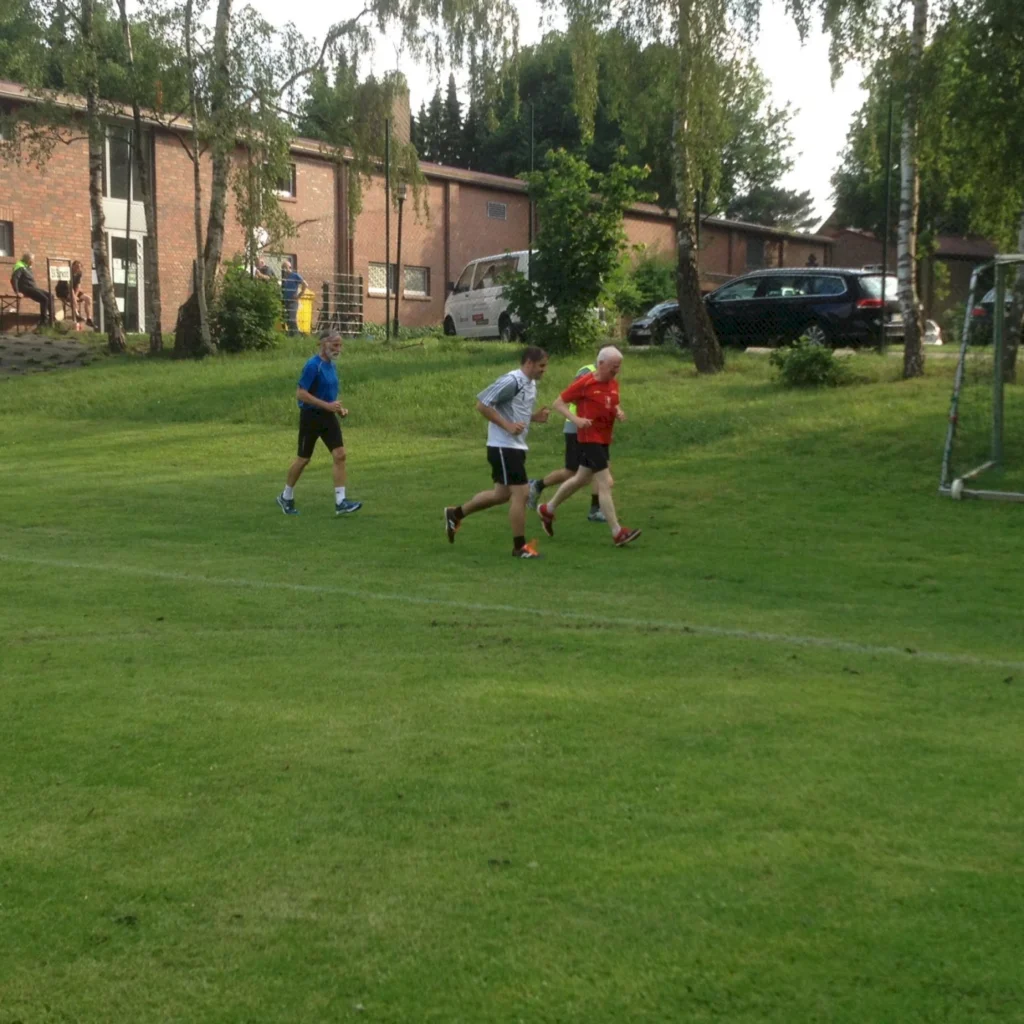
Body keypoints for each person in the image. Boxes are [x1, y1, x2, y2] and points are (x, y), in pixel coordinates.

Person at [443, 346, 551, 559]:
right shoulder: (512, 381)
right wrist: (507, 426)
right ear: (529, 363)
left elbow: (514, 411)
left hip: (515, 446)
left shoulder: (529, 385)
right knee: (521, 493)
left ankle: (455, 514)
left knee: (501, 495)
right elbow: (482, 405)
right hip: (503, 446)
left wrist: (534, 417)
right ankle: (519, 548)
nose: (544, 370)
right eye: (541, 366)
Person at [537, 346, 641, 547]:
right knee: (604, 482)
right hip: (588, 438)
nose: (616, 370)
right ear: (601, 364)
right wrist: (575, 419)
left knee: (581, 478)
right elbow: (558, 403)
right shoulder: (585, 383)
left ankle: (547, 509)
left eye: (618, 367)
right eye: (613, 367)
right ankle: (617, 532)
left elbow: (612, 402)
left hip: (603, 438)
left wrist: (618, 412)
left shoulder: (613, 383)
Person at [276, 329, 362, 517]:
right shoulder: (312, 366)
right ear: (323, 344)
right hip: (310, 417)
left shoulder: (331, 366)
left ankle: (341, 502)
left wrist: (339, 409)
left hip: (328, 416)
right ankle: (286, 496)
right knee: (303, 459)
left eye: (340, 345)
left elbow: (328, 395)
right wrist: (327, 405)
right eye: (335, 344)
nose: (338, 349)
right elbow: (301, 394)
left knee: (340, 455)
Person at [527, 357, 607, 523]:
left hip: (594, 429)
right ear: (602, 359)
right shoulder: (587, 371)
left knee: (599, 468)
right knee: (572, 471)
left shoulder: (606, 376)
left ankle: (595, 509)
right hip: (576, 427)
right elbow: (574, 395)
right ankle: (537, 485)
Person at [10, 253, 52, 328]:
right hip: (26, 288)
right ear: (28, 260)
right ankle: (43, 321)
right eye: (32, 260)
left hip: (32, 287)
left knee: (51, 296)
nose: (33, 261)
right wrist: (17, 292)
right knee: (44, 299)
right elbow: (14, 279)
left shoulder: (27, 267)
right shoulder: (20, 266)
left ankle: (52, 318)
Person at [54, 260, 95, 327]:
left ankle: (89, 319)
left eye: (79, 267)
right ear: (72, 266)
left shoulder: (79, 273)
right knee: (73, 298)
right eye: (76, 267)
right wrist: (74, 296)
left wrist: (76, 295)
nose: (77, 269)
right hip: (63, 290)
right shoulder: (67, 273)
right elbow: (69, 286)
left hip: (73, 290)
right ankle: (77, 315)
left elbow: (78, 285)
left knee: (88, 299)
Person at [280, 260, 307, 336]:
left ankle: (297, 335)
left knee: (292, 319)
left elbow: (305, 284)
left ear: (290, 267)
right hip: (286, 301)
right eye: (283, 268)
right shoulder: (285, 278)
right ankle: (291, 336)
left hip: (293, 301)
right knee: (287, 320)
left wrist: (299, 295)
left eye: (285, 267)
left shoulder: (295, 275)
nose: (284, 269)